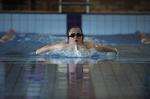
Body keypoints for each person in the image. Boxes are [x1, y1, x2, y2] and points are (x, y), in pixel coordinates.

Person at [36, 27, 118, 55]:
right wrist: (38, 51)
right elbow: (49, 47)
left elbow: (102, 48)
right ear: (68, 38)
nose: (75, 37)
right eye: (72, 35)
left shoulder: (89, 46)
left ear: (82, 37)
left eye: (78, 35)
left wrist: (115, 50)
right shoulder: (63, 46)